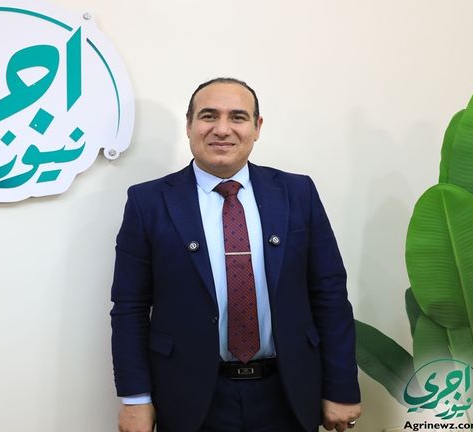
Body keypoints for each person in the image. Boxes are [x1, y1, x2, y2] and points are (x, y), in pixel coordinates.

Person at [109, 78, 361, 432]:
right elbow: (130, 307)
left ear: (257, 127)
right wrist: (135, 398)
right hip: (189, 397)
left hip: (288, 392)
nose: (222, 129)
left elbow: (329, 295)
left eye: (238, 117)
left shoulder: (297, 193)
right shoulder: (148, 202)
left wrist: (341, 387)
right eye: (209, 116)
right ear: (189, 125)